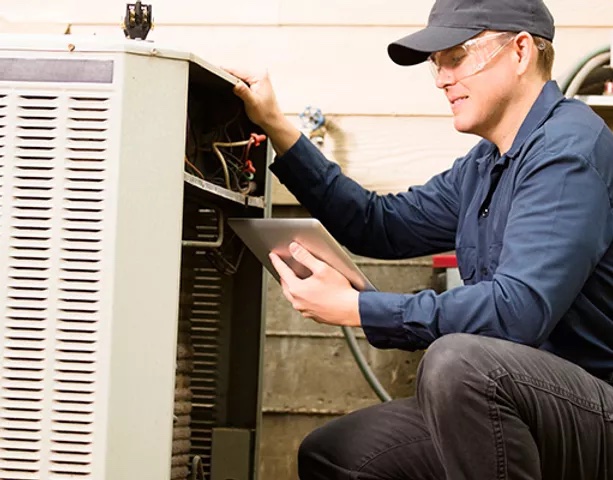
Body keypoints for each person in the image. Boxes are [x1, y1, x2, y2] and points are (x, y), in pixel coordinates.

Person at [225, 0, 613, 477]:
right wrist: (277, 125)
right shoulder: (485, 163)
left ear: (519, 52)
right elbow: (379, 224)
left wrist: (357, 308)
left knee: (459, 363)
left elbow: (518, 311)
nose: (441, 78)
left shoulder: (567, 152)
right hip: (516, 404)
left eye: (457, 57)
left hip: (594, 413)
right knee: (339, 454)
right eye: (436, 63)